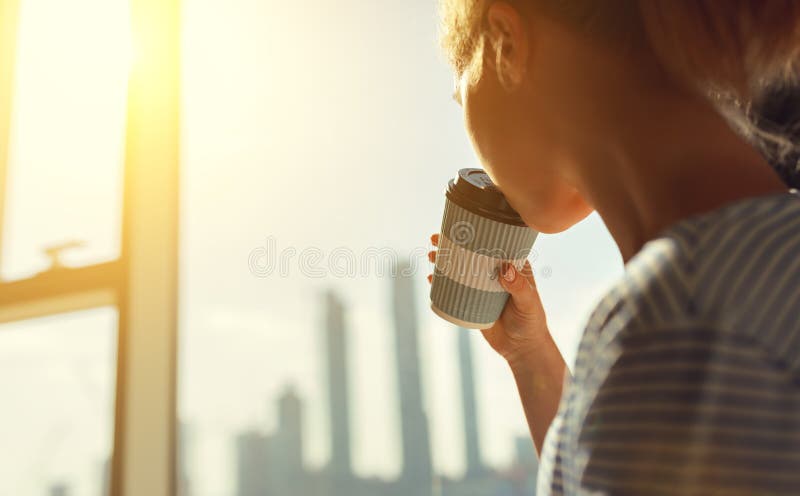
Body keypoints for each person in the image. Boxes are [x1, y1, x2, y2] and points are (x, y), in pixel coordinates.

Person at [427, 1, 800, 494]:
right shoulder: (738, 282)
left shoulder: (681, 321)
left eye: (462, 95)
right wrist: (529, 356)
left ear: (505, 43)